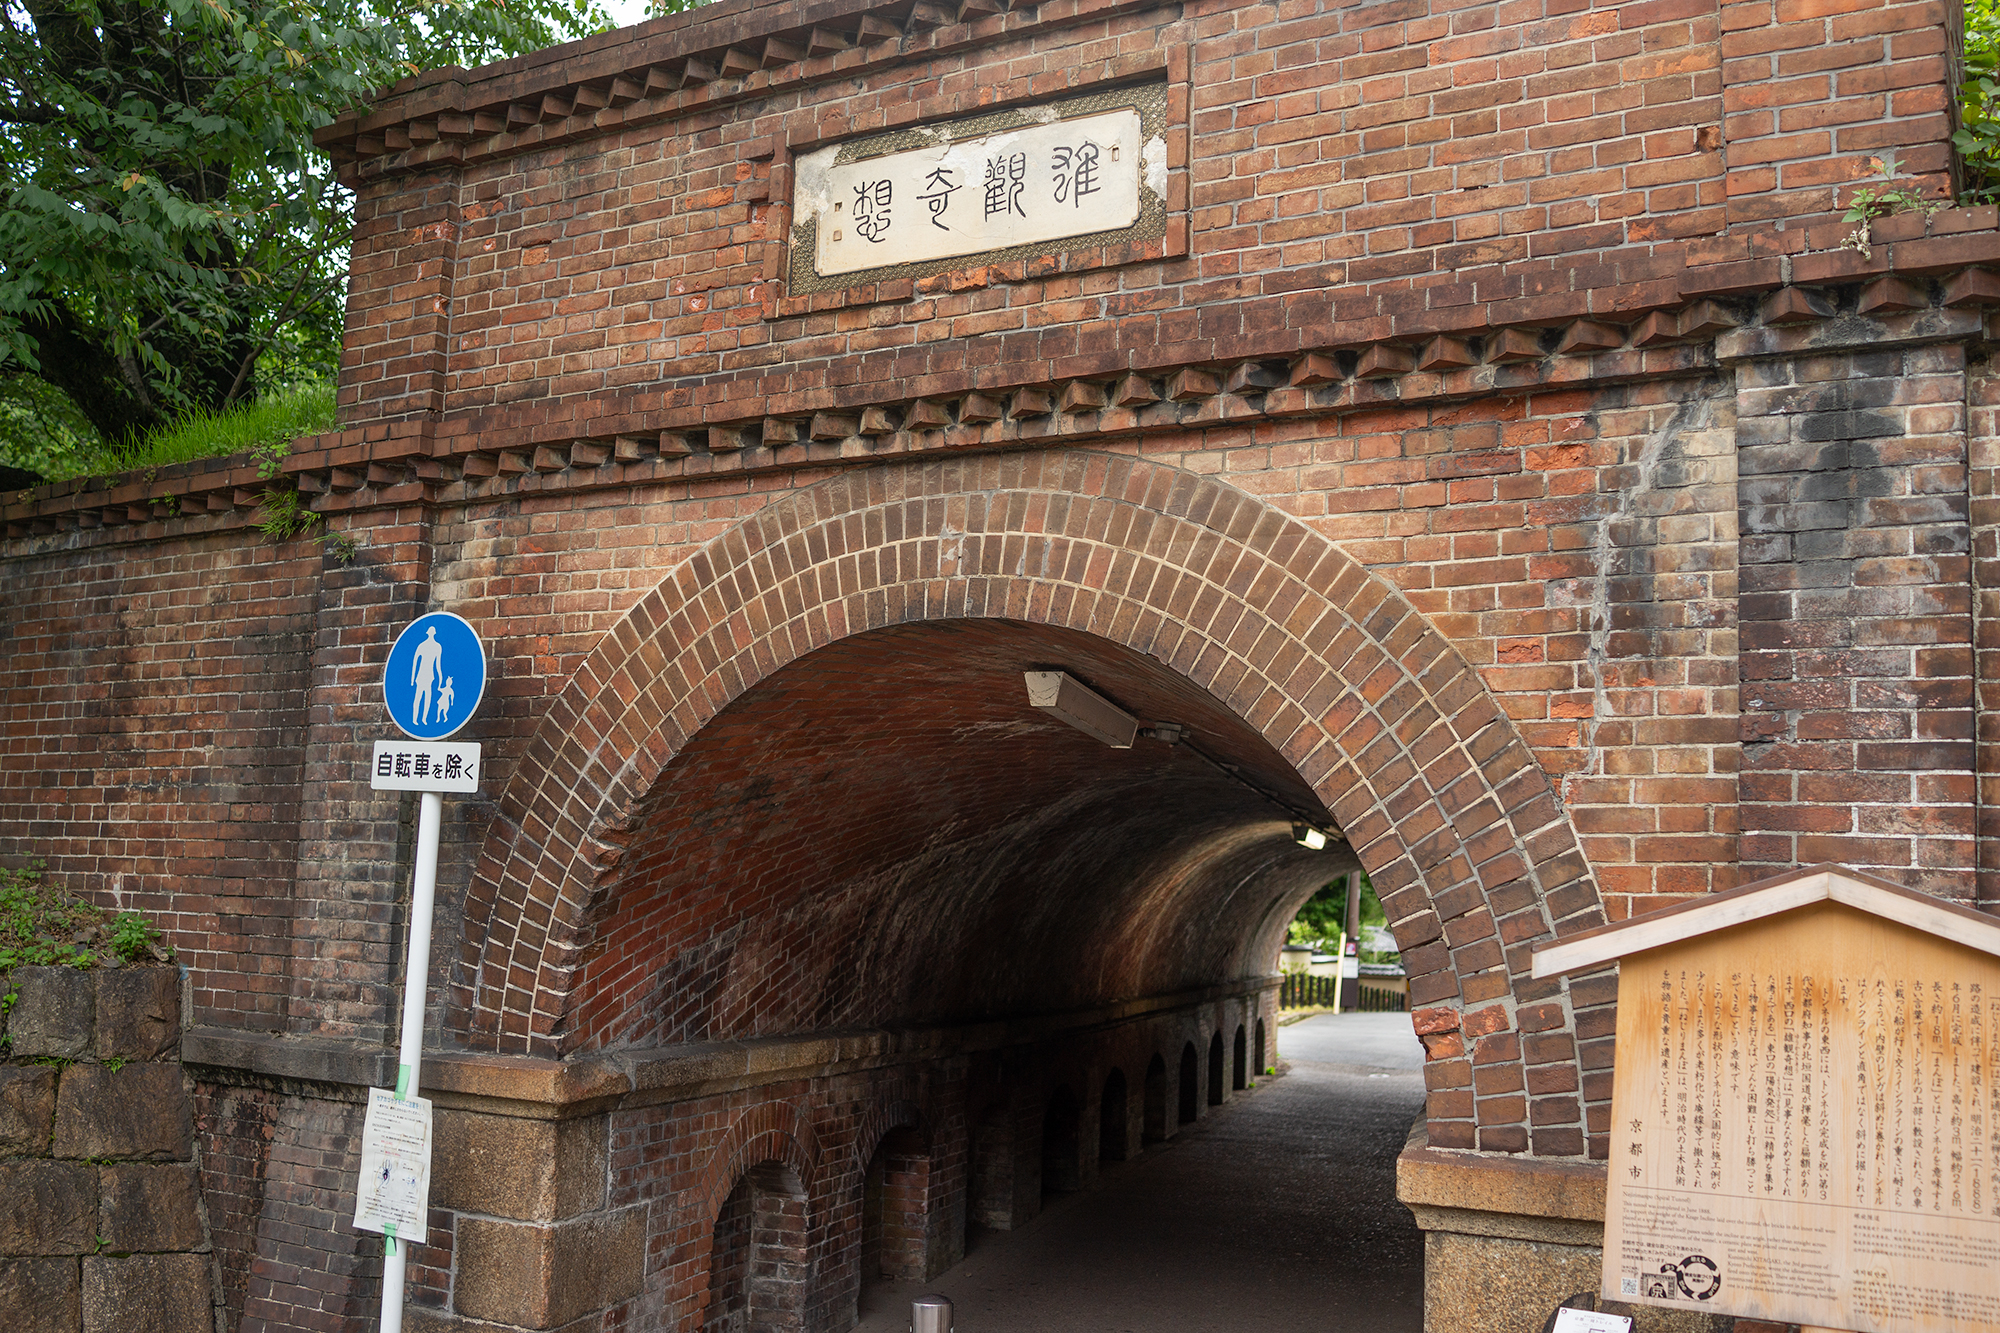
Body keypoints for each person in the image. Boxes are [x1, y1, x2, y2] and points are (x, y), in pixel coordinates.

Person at [411, 627, 444, 726]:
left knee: (426, 698)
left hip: (429, 676)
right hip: (421, 676)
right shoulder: (422, 645)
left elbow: (438, 665)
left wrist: (440, 679)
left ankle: (423, 719)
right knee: (419, 698)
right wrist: (412, 679)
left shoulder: (437, 647)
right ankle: (415, 719)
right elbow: (415, 662)